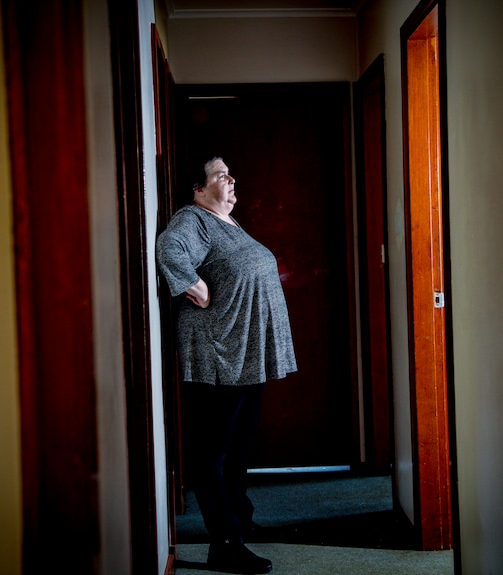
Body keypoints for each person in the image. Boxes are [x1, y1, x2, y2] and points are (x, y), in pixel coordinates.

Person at [156, 157, 297, 574]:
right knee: (213, 451)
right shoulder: (194, 219)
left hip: (245, 356)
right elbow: (169, 248)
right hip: (220, 354)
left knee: (239, 443)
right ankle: (225, 542)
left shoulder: (227, 222)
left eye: (230, 172)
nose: (231, 179)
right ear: (198, 190)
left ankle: (241, 519)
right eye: (220, 175)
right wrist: (194, 285)